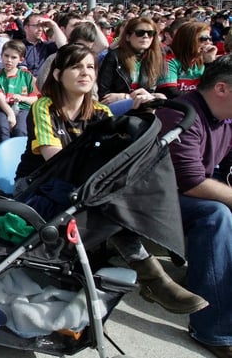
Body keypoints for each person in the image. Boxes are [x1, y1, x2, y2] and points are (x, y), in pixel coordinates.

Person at [14, 43, 208, 316]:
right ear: (57, 75)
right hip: (36, 185)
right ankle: (151, 275)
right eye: (76, 66)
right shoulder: (44, 107)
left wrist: (142, 114)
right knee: (105, 199)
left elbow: (117, 161)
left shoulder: (101, 113)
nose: (85, 73)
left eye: (90, 67)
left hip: (77, 189)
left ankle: (149, 274)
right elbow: (55, 161)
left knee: (118, 192)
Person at [157, 55, 232, 358]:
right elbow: (190, 182)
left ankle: (211, 282)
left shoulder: (225, 118)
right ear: (222, 89)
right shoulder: (180, 114)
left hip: (184, 193)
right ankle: (213, 329)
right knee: (217, 215)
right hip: (154, 199)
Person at [97, 17, 167, 112]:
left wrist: (126, 96)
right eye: (140, 33)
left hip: (144, 104)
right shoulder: (114, 56)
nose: (145, 36)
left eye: (150, 33)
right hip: (115, 108)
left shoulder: (157, 57)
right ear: (128, 36)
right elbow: (104, 94)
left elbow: (159, 92)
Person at [0, 40, 39, 142]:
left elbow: (35, 98)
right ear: (1, 56)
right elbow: (0, 99)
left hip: (23, 109)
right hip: (2, 110)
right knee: (3, 128)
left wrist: (22, 98)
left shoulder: (26, 75)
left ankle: (19, 155)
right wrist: (10, 114)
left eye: (13, 57)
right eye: (6, 56)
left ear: (21, 59)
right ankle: (3, 154)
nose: (9, 60)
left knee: (20, 129)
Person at [156, 21, 218, 99]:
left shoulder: (202, 59)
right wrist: (204, 98)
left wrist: (209, 62)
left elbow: (214, 87)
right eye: (203, 39)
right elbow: (170, 92)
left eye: (209, 39)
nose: (208, 42)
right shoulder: (169, 61)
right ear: (188, 40)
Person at [20, 12, 67, 77]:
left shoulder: (47, 46)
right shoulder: (19, 47)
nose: (40, 29)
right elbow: (22, 69)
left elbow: (63, 46)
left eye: (42, 26)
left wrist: (54, 25)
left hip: (45, 83)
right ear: (26, 28)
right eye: (36, 25)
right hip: (26, 83)